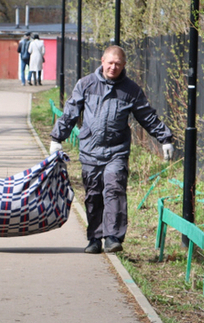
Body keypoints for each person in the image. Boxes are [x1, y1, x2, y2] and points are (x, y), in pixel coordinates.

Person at [49, 45, 174, 254]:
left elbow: (147, 116)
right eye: (110, 63)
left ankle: (113, 237)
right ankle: (95, 239)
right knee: (93, 195)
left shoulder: (130, 90)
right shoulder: (86, 84)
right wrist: (56, 138)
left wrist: (165, 138)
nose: (113, 67)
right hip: (90, 150)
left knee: (114, 188)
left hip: (117, 151)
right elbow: (70, 112)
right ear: (102, 61)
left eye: (118, 64)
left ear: (124, 65)